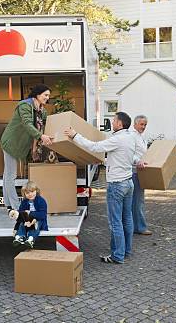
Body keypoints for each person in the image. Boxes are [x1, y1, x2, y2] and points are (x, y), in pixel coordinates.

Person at [64, 112, 140, 264]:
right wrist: (105, 161)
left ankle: (117, 255)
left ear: (120, 124)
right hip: (128, 182)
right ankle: (126, 251)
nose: (112, 122)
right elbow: (124, 157)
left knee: (115, 221)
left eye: (114, 120)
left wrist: (74, 135)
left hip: (117, 185)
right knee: (127, 218)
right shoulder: (131, 137)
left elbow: (94, 146)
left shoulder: (117, 139)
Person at [0, 84, 53, 211]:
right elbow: (27, 124)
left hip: (21, 145)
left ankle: (8, 204)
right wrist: (41, 136)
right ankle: (16, 207)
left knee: (7, 175)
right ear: (37, 94)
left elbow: (45, 124)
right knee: (11, 175)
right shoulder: (25, 106)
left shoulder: (41, 110)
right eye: (45, 95)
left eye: (48, 96)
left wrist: (37, 146)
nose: (47, 98)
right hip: (12, 143)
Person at [9, 181, 48, 249]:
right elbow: (21, 214)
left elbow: (43, 215)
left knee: (35, 226)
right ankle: (20, 237)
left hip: (38, 220)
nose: (30, 194)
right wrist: (16, 227)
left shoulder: (41, 201)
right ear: (24, 194)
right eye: (27, 193)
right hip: (27, 219)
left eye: (32, 191)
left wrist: (30, 213)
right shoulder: (24, 202)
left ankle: (31, 239)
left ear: (36, 191)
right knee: (22, 224)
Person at [131, 115, 152, 235]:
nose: (143, 127)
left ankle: (135, 227)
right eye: (141, 124)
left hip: (140, 171)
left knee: (136, 201)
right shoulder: (132, 137)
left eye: (145, 125)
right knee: (138, 201)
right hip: (134, 172)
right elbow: (129, 152)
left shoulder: (141, 137)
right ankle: (141, 227)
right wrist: (137, 161)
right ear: (135, 124)